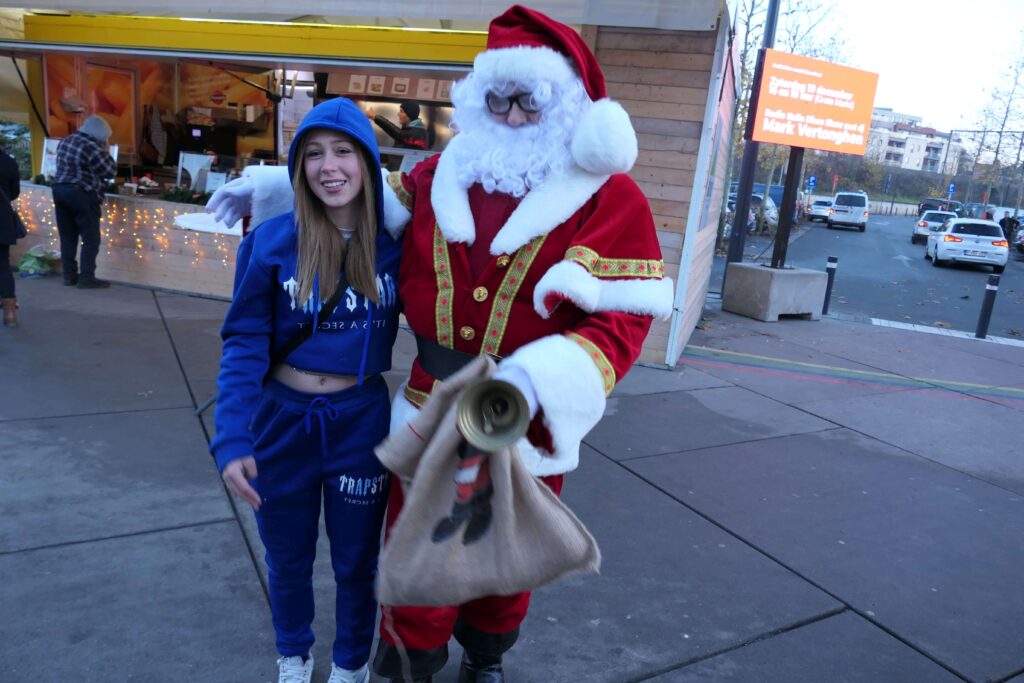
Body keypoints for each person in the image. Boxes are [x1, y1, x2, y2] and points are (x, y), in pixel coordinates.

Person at [206, 7, 674, 679]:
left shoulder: (609, 198)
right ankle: (410, 660)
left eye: (529, 100)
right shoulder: (443, 172)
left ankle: (486, 656)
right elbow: (362, 192)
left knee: (506, 548)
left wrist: (541, 378)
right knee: (418, 544)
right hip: (429, 406)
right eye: (498, 100)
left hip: (527, 413)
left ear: (568, 105)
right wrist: (281, 183)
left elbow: (623, 321)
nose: (512, 116)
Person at [210, 96, 408, 683]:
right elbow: (244, 342)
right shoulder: (272, 241)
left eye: (344, 151)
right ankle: (293, 656)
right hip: (281, 423)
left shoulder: (397, 246)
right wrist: (232, 436)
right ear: (299, 168)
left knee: (356, 563)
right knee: (287, 559)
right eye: (313, 154)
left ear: (368, 163)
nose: (329, 166)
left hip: (360, 424)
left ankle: (350, 665)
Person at [52, 115, 118, 288]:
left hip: (59, 189)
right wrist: (106, 150)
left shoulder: (66, 140)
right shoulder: (92, 146)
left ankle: (69, 275)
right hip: (82, 192)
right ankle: (87, 277)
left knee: (67, 236)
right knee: (90, 238)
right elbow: (110, 171)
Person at [0, 143, 21, 327]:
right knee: (3, 265)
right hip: (2, 218)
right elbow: (14, 192)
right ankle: (10, 314)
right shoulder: (8, 162)